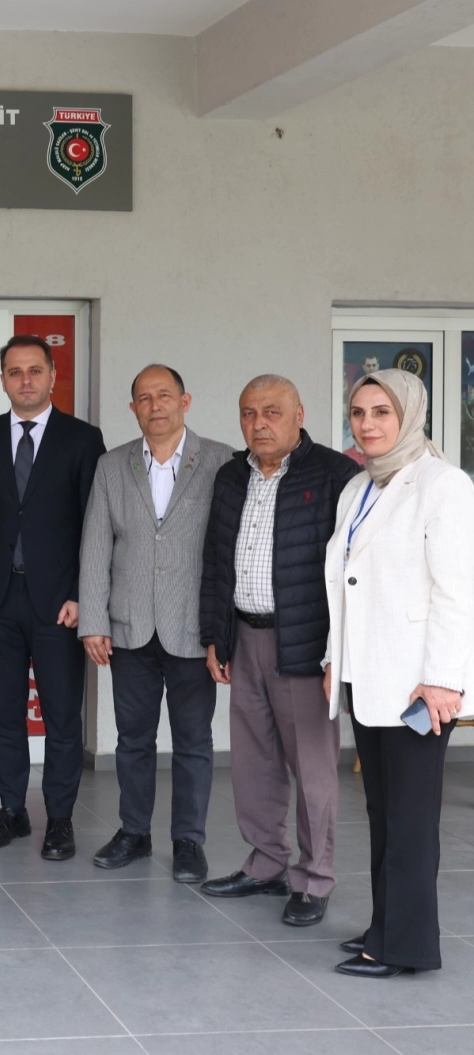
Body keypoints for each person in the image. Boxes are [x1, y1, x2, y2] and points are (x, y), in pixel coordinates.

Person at [322, 370, 474, 978]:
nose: (367, 424)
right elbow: (345, 584)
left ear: (410, 415)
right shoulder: (359, 486)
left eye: (382, 411)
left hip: (419, 684)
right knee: (383, 812)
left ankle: (407, 947)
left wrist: (443, 679)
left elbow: (457, 592)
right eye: (358, 412)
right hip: (368, 674)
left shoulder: (443, 485)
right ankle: (385, 926)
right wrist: (335, 660)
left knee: (410, 820)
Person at [199, 375, 359, 927]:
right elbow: (216, 563)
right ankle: (266, 863)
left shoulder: (335, 475)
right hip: (243, 637)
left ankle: (314, 879)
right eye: (248, 413)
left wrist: (337, 652)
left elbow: (353, 570)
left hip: (305, 644)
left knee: (312, 769)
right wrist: (216, 636)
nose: (258, 423)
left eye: (271, 411)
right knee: (254, 762)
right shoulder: (230, 476)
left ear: (298, 415)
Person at [0, 334, 105, 859]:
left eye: (35, 370)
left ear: (53, 376)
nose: (25, 380)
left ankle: (59, 818)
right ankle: (12, 809)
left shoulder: (83, 439)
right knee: (5, 714)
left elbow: (95, 525)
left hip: (60, 603)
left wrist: (85, 595)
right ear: (3, 380)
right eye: (15, 372)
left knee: (62, 716)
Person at [78, 365, 233, 882]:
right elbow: (96, 545)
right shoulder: (111, 465)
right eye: (144, 398)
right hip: (130, 627)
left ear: (185, 401)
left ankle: (188, 841)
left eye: (164, 395)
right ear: (133, 409)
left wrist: (223, 631)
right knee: (133, 740)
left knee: (193, 741)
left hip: (193, 628)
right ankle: (133, 832)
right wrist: (93, 620)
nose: (155, 405)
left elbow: (229, 550)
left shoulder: (221, 461)